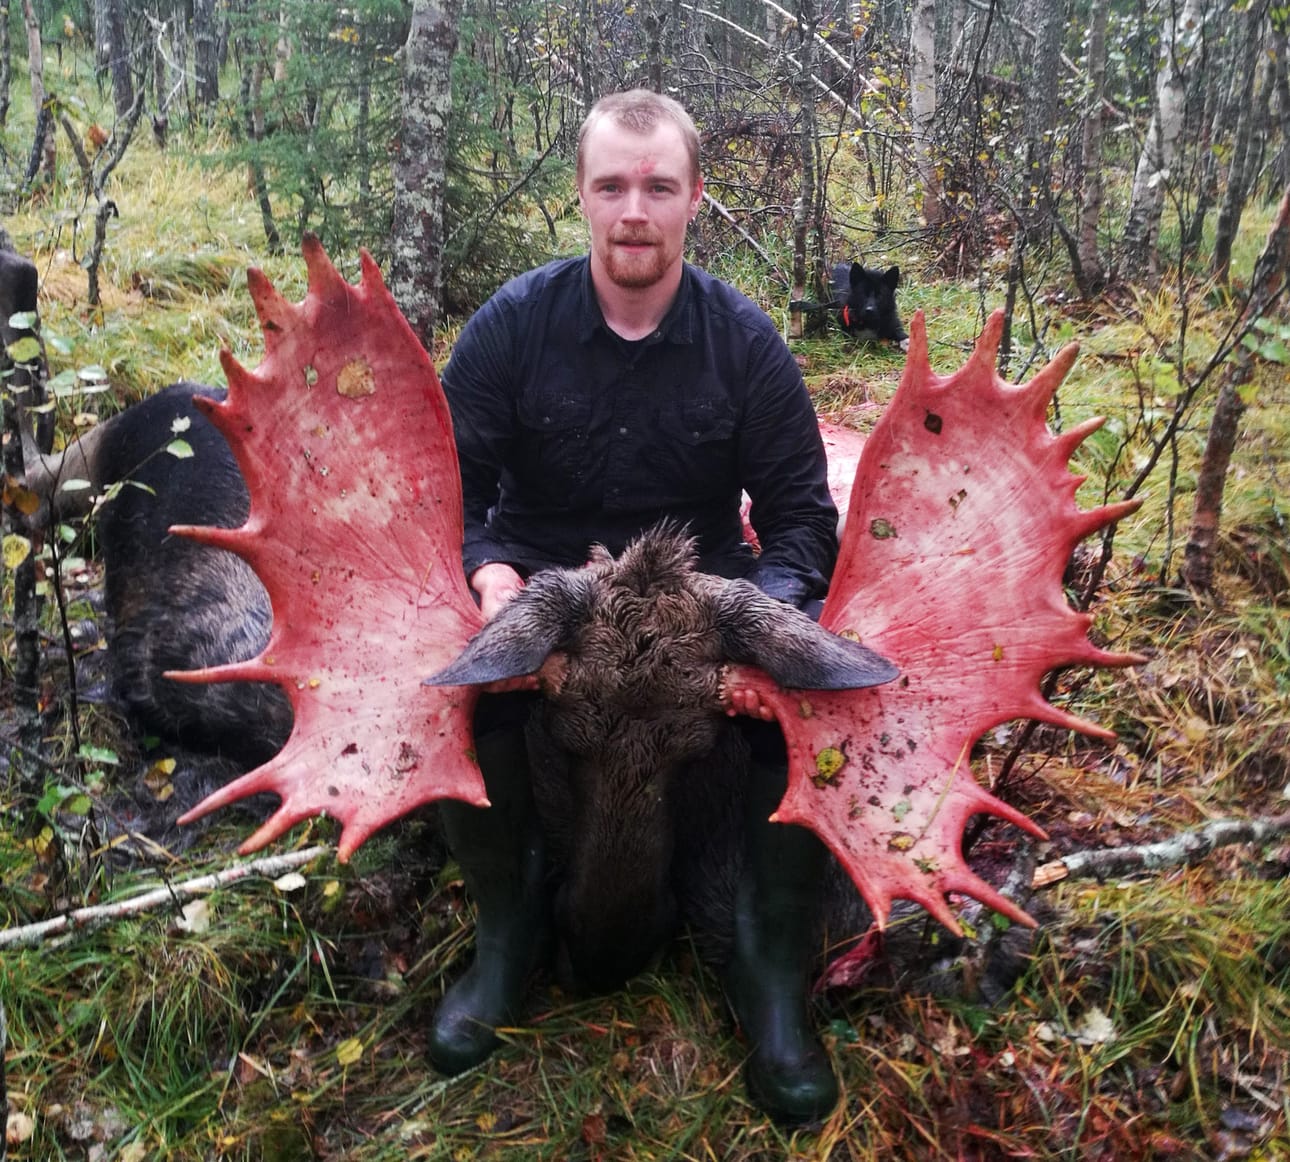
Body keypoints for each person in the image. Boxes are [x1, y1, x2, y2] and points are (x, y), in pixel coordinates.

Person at [432, 89, 841, 1123]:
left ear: (694, 198)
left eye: (658, 186)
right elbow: (444, 491)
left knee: (820, 697)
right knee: (449, 686)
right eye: (611, 185)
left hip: (703, 595)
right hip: (542, 588)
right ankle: (510, 924)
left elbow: (799, 519)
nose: (633, 211)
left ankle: (768, 952)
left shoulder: (744, 342)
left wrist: (769, 626)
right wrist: (487, 574)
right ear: (580, 194)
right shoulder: (513, 326)